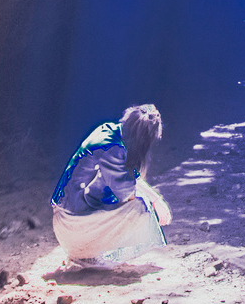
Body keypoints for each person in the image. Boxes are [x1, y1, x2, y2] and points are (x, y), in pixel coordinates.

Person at [49, 103, 173, 264]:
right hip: (72, 226)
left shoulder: (110, 130)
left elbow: (131, 176)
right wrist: (152, 203)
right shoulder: (112, 149)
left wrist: (157, 199)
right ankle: (86, 253)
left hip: (68, 218)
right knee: (140, 207)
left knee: (141, 198)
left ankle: (87, 251)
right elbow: (127, 195)